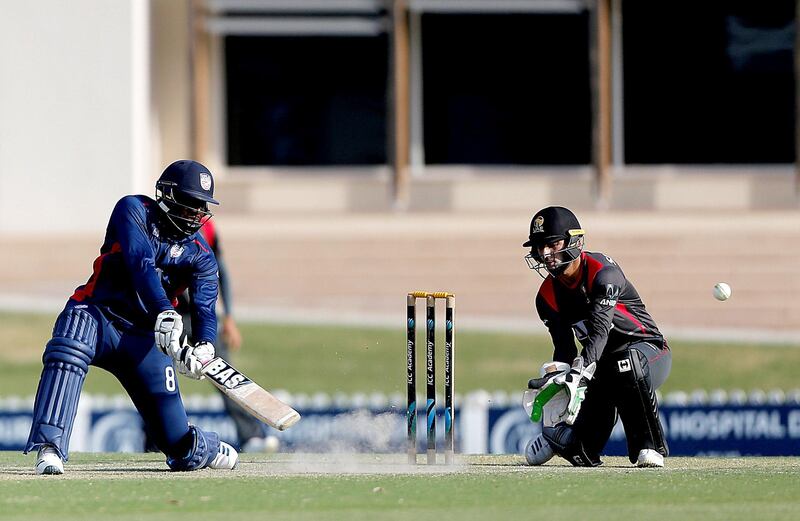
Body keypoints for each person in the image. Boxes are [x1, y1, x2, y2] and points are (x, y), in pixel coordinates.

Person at [25, 160, 239, 474]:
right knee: (67, 348)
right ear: (166, 196)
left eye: (201, 206)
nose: (196, 213)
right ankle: (51, 448)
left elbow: (206, 307)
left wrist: (205, 346)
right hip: (97, 314)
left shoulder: (202, 256)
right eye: (190, 203)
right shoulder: (133, 210)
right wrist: (165, 311)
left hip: (145, 340)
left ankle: (203, 447)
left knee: (178, 448)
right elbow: (141, 264)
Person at [521, 206, 672, 468]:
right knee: (577, 450)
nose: (545, 254)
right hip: (600, 365)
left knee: (626, 362)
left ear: (574, 241)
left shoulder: (604, 273)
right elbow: (565, 349)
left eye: (551, 244)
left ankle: (649, 446)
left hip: (648, 351)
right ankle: (558, 438)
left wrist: (581, 373)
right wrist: (560, 376)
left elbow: (601, 331)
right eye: (539, 247)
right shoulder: (546, 297)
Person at [174, 219, 271, 452]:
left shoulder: (207, 227)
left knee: (222, 371)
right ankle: (155, 441)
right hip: (169, 313)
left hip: (201, 316)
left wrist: (229, 316)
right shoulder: (163, 224)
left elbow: (221, 271)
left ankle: (252, 436)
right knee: (162, 377)